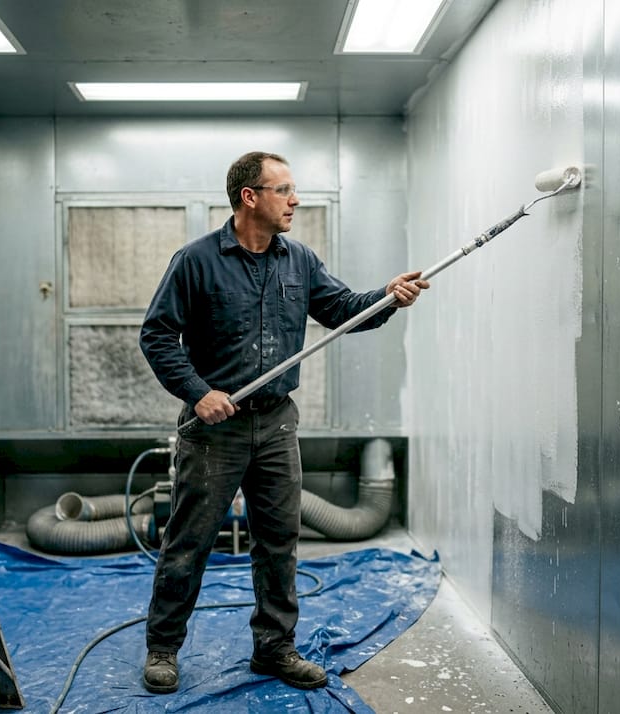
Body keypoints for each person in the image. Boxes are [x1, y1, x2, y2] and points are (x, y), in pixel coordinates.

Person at [138, 151, 429, 694]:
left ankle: (274, 648)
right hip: (214, 431)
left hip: (276, 423)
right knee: (189, 540)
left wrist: (388, 298)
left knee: (278, 540)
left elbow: (343, 308)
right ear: (250, 197)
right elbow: (156, 336)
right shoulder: (196, 261)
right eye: (284, 190)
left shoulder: (299, 260)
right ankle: (163, 648)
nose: (295, 200)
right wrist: (199, 395)